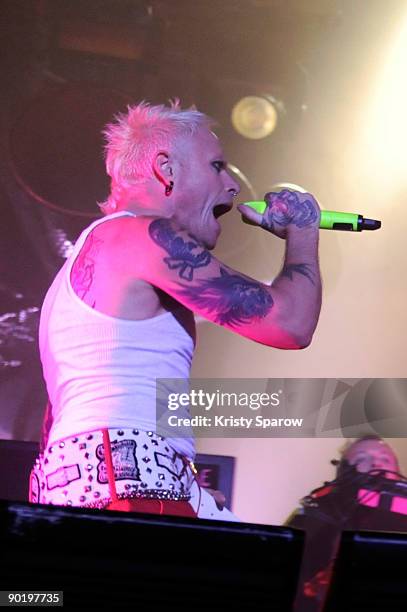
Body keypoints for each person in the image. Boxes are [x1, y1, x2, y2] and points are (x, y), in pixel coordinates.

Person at [28, 100, 322, 518]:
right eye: (217, 166)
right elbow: (290, 324)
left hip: (96, 489)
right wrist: (304, 231)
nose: (232, 187)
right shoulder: (143, 235)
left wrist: (189, 491)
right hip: (129, 493)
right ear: (167, 170)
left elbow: (61, 421)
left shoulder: (88, 259)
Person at [286, 435, 407, 611]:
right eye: (361, 459)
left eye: (385, 459)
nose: (376, 464)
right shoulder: (313, 516)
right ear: (343, 471)